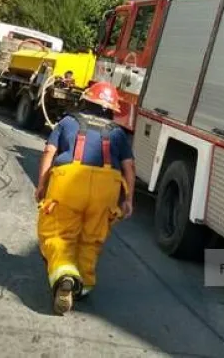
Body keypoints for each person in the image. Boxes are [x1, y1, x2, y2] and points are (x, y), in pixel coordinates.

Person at [35, 82, 135, 315]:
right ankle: (84, 285)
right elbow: (129, 166)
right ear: (111, 108)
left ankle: (65, 274)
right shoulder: (118, 133)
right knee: (92, 238)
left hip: (70, 182)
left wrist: (42, 184)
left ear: (86, 101)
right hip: (106, 188)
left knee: (58, 233)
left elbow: (49, 151)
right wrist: (129, 199)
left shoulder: (68, 122)